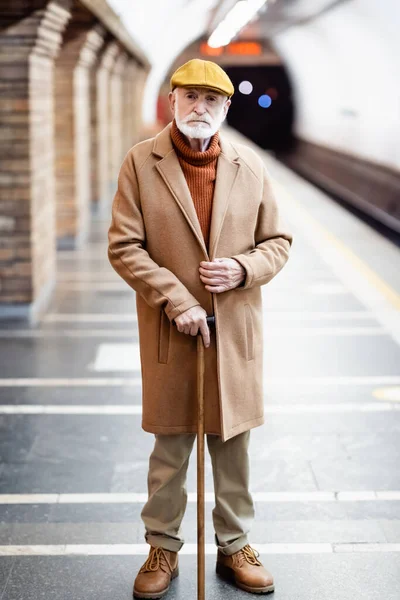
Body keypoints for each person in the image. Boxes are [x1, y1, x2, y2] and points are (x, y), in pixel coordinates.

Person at [108, 58, 293, 598]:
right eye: (190, 97)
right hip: (174, 331)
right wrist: (175, 297)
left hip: (234, 332)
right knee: (170, 448)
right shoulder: (142, 162)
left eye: (212, 100)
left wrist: (242, 269)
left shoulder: (250, 165)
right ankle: (161, 545)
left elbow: (277, 243)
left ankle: (235, 544)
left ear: (225, 109)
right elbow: (124, 247)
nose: (199, 108)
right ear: (172, 100)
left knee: (231, 442)